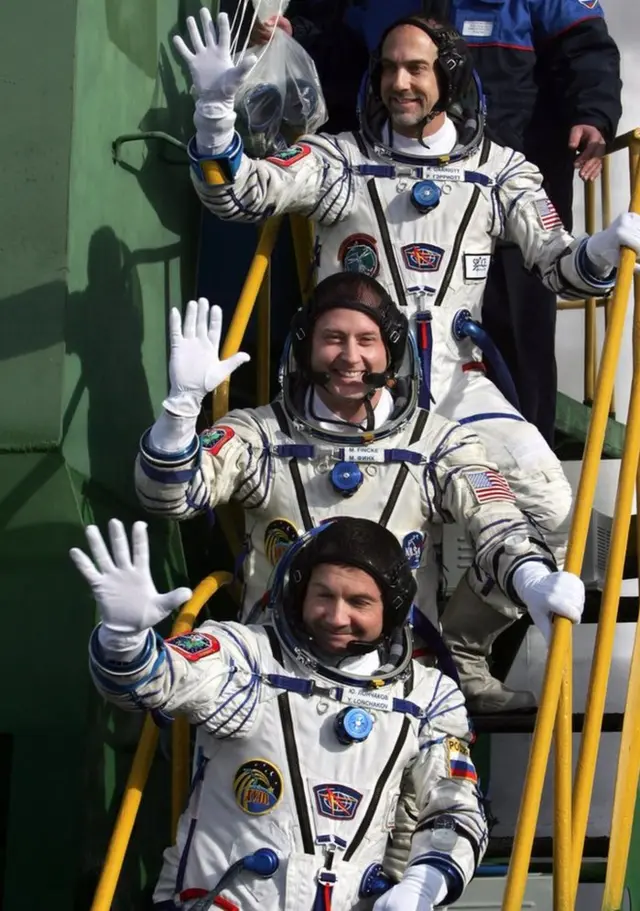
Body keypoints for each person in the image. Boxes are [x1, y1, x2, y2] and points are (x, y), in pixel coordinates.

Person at [171, 11, 635, 707]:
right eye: (388, 68)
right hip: (348, 393)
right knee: (368, 552)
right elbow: (238, 193)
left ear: (449, 77)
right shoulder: (337, 161)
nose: (399, 83)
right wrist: (215, 116)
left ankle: (465, 647)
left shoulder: (500, 171)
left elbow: (559, 266)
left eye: (417, 68)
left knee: (550, 501)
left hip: (454, 382)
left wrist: (603, 247)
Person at [135, 271, 585, 712]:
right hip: (271, 678)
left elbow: (496, 520)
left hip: (400, 692)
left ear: (392, 351)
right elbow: (169, 497)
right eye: (333, 338)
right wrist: (180, 411)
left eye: (366, 340)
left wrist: (531, 579)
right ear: (305, 347)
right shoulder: (259, 435)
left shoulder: (439, 443)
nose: (350, 357)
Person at [244, 0, 622, 441]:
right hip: (392, 213)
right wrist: (297, 39)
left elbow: (585, 49)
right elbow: (340, 49)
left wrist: (593, 114)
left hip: (509, 211)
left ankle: (512, 469)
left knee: (517, 358)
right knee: (369, 346)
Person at [72, 515, 491, 910]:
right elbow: (157, 679)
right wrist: (125, 641)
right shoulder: (245, 657)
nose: (337, 616)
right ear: (299, 592)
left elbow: (454, 807)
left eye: (359, 602)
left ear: (392, 609)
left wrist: (425, 882)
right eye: (324, 595)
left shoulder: (427, 696)